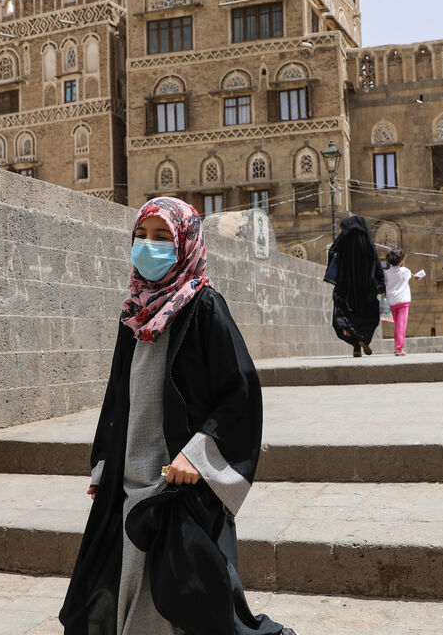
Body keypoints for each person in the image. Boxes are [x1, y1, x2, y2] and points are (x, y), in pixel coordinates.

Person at [59, 197, 296, 635]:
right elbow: (117, 395)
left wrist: (198, 455)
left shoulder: (204, 306)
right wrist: (104, 463)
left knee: (183, 596)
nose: (148, 246)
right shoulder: (134, 313)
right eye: (141, 236)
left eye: (162, 237)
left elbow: (240, 393)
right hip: (130, 478)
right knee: (121, 585)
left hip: (176, 483)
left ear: (185, 244)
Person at [328, 215, 386, 357]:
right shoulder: (366, 240)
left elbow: (331, 252)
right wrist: (380, 284)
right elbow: (376, 262)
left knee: (346, 315)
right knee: (367, 316)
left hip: (345, 287)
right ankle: (363, 340)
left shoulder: (343, 239)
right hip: (366, 288)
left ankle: (356, 347)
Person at [381, 249, 424, 356]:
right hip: (403, 302)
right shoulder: (406, 271)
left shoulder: (386, 273)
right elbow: (412, 276)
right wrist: (415, 277)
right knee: (401, 325)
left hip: (392, 301)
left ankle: (397, 346)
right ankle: (399, 348)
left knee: (398, 324)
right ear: (401, 261)